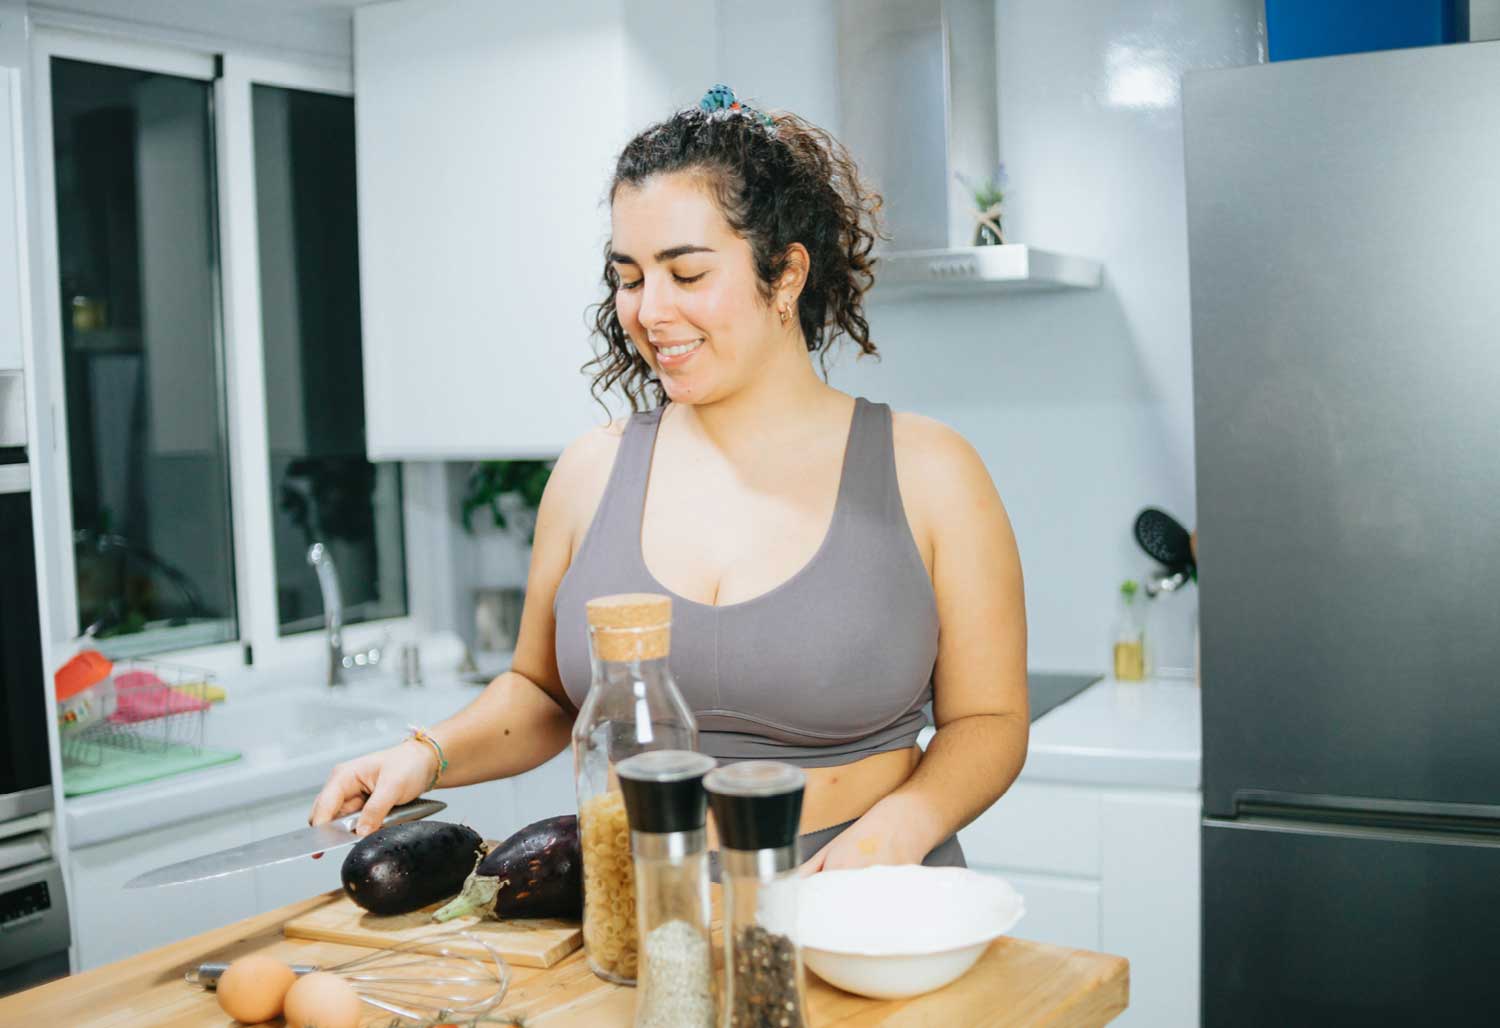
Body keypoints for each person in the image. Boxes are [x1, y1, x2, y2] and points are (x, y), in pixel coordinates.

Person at [310, 85, 1027, 874]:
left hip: (862, 894)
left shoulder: (929, 470)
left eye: (686, 275)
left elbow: (989, 719)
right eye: (629, 276)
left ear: (785, 276)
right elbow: (545, 695)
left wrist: (904, 825)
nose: (650, 311)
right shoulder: (591, 471)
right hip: (641, 904)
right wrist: (428, 754)